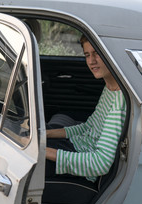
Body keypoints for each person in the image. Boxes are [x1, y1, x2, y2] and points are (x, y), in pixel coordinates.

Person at [45, 35, 126, 183]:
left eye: (97, 54)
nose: (91, 61)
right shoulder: (110, 87)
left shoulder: (120, 102)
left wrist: (42, 151)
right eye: (87, 55)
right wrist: (46, 134)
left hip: (83, 163)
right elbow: (88, 127)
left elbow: (100, 163)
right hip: (76, 146)